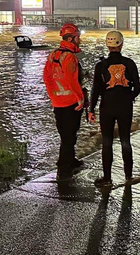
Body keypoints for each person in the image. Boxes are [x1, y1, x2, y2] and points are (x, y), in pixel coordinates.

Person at [88, 31, 140, 187]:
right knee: (125, 140)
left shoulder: (101, 66)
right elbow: (137, 87)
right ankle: (128, 176)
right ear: (121, 44)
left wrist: (91, 109)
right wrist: (129, 97)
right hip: (125, 106)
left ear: (107, 45)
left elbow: (95, 90)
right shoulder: (130, 63)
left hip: (107, 107)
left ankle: (107, 178)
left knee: (107, 142)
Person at [43, 23, 88, 176]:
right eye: (77, 37)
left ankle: (69, 160)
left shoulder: (53, 55)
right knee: (70, 135)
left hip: (57, 102)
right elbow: (71, 80)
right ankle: (64, 166)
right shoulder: (69, 57)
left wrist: (52, 96)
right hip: (71, 103)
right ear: (70, 38)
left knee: (65, 134)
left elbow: (46, 78)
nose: (79, 40)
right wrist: (80, 98)